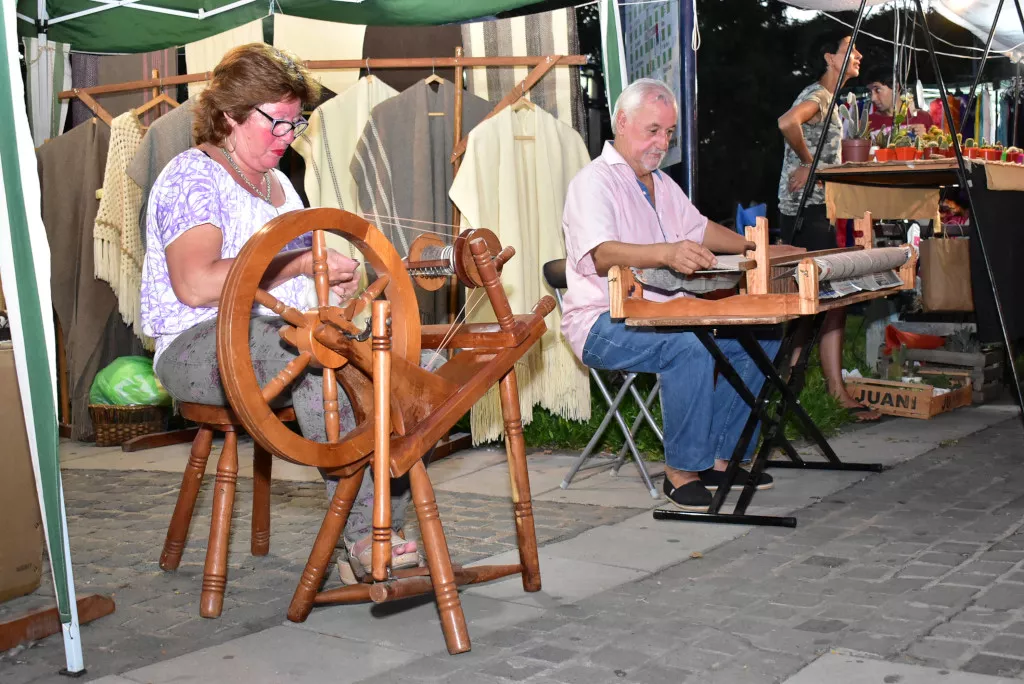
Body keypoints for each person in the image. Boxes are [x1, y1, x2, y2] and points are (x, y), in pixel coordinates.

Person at [140, 43, 419, 583]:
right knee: (318, 361)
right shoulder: (192, 175)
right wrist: (294, 266)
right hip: (196, 344)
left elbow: (304, 275)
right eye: (277, 123)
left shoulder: (280, 185)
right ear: (230, 115)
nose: (288, 136)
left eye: (297, 123)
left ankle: (390, 523)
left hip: (273, 338)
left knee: (387, 367)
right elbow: (196, 284)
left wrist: (338, 282)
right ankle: (365, 536)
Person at [561, 79, 792, 512]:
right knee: (688, 347)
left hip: (666, 313)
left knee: (761, 334)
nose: (662, 142)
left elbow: (699, 228)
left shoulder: (662, 184)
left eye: (668, 133)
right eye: (653, 130)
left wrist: (755, 248)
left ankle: (720, 460)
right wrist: (666, 254)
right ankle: (681, 471)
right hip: (601, 322)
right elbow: (601, 254)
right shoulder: (592, 183)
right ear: (622, 122)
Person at [777, 34, 880, 422]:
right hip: (806, 211)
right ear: (829, 57)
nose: (858, 56)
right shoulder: (819, 95)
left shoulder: (831, 99)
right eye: (850, 50)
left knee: (814, 303)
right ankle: (835, 393)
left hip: (813, 209)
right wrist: (812, 163)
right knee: (831, 299)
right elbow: (787, 122)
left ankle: (788, 387)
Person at [863, 64, 932, 137]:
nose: (873, 98)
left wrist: (926, 139)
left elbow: (938, 146)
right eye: (870, 92)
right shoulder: (867, 123)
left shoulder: (923, 117)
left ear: (895, 87)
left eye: (878, 90)